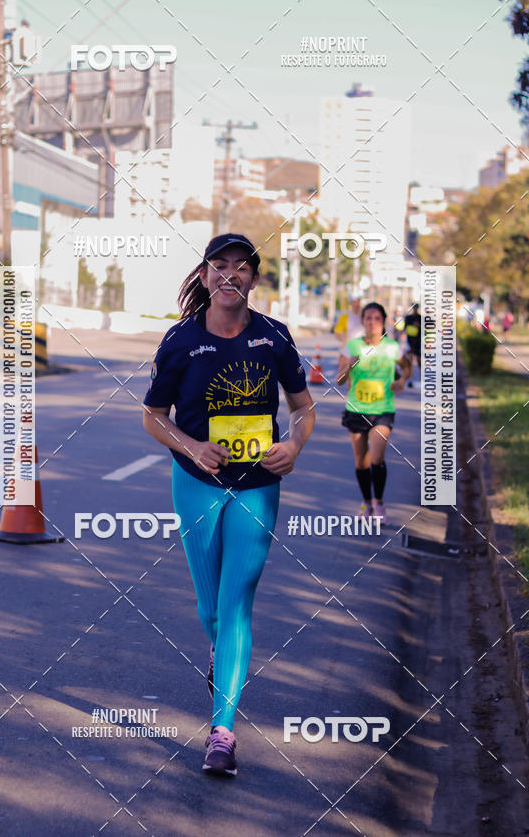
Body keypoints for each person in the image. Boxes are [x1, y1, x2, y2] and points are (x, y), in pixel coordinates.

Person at [142, 233, 315, 777]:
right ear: (204, 274)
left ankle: (222, 733)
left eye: (242, 267)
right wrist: (192, 445)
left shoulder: (274, 339)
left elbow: (304, 409)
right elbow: (152, 416)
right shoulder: (180, 341)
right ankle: (223, 654)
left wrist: (294, 444)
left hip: (259, 484)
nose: (230, 275)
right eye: (220, 265)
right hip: (196, 483)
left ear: (254, 279)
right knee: (211, 608)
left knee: (237, 602)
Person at [336, 302, 411, 524]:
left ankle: (379, 502)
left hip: (383, 410)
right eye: (368, 318)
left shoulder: (392, 347)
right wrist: (348, 366)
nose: (372, 322)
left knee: (377, 457)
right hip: (356, 409)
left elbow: (407, 366)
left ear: (384, 321)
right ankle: (366, 502)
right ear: (363, 322)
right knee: (361, 461)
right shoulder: (351, 347)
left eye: (377, 318)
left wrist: (402, 381)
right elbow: (339, 381)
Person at [403, 302, 421, 387]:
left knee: (418, 361)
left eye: (416, 308)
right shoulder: (408, 318)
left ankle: (422, 378)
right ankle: (410, 380)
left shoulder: (420, 318)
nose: (414, 310)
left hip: (418, 343)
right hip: (409, 342)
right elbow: (404, 328)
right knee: (409, 362)